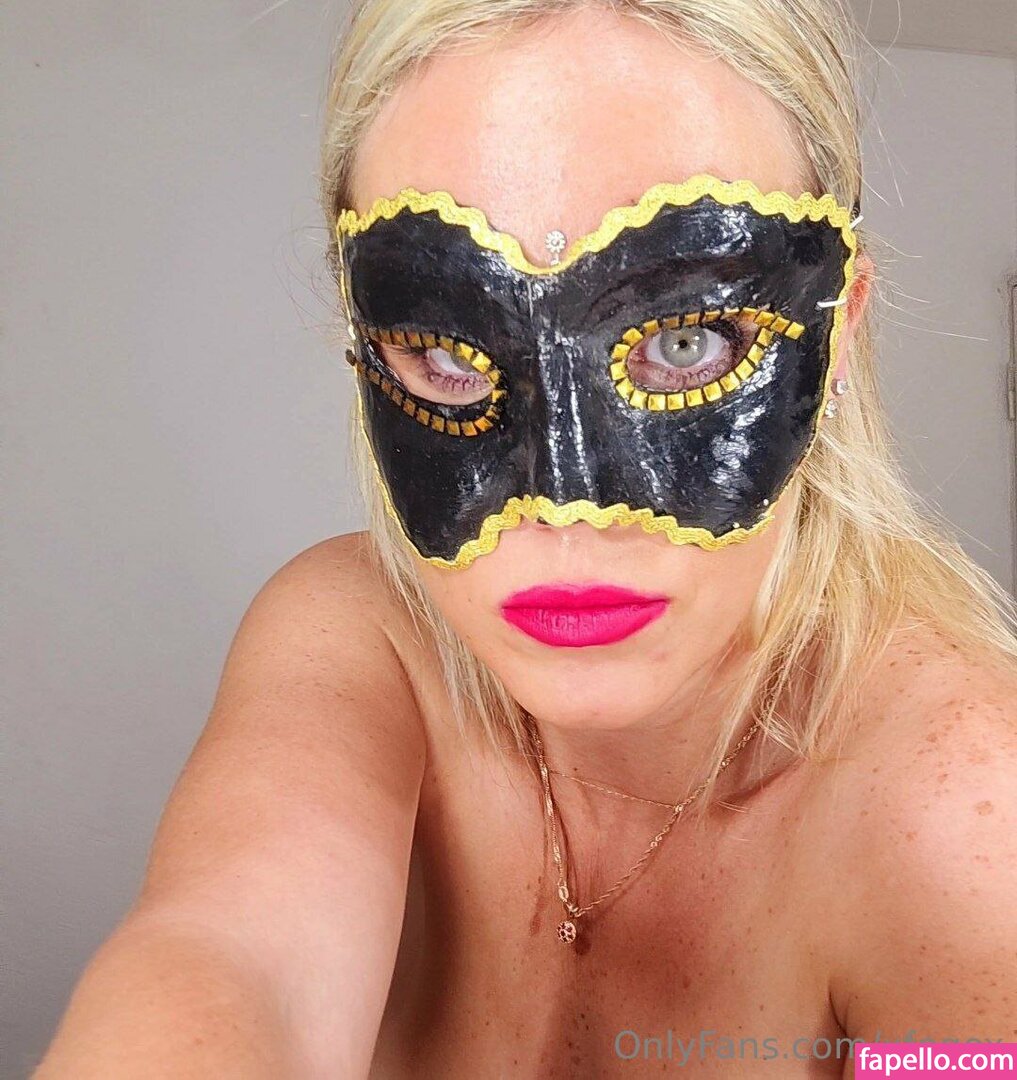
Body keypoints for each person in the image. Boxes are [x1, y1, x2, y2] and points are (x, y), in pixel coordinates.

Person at [36, 2, 1017, 1077]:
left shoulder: (965, 822)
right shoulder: (359, 637)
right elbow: (231, 958)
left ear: (836, 334)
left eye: (686, 341)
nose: (565, 508)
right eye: (451, 355)